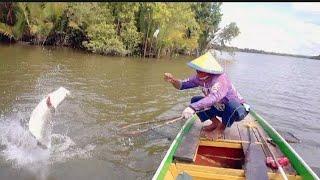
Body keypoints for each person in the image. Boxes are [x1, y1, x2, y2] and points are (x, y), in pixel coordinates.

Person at [164, 51, 250, 140]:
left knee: (232, 105)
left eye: (200, 70)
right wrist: (173, 80)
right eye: (197, 70)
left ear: (209, 71)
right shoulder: (199, 78)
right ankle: (215, 123)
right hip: (220, 107)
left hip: (238, 110)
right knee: (195, 100)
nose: (197, 73)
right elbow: (182, 85)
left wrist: (192, 108)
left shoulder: (221, 79)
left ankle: (220, 129)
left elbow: (214, 97)